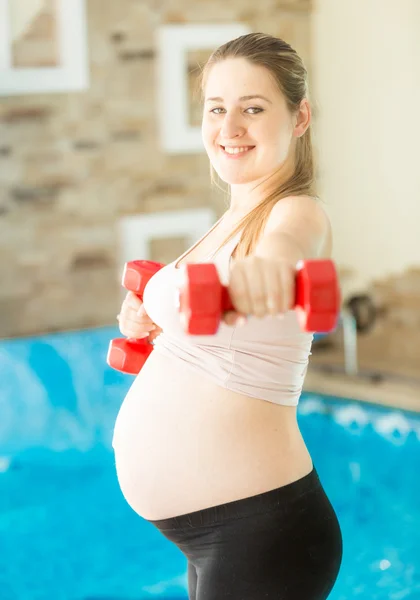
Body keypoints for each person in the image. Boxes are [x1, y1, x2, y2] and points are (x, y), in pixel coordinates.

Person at [112, 32, 343, 600]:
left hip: (262, 531)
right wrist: (147, 317)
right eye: (217, 109)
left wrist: (271, 269)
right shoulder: (227, 223)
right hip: (219, 533)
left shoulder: (295, 211)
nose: (230, 127)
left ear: (299, 116)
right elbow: (210, 326)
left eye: (253, 109)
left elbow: (288, 247)